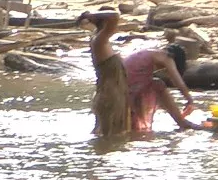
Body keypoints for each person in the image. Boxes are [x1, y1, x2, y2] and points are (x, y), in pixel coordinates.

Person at [121, 41, 199, 132]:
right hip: (129, 86)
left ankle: (180, 121)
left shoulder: (151, 53)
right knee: (159, 85)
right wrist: (190, 100)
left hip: (123, 85)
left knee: (156, 83)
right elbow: (178, 81)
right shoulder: (166, 57)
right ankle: (181, 122)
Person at [78, 8, 132, 137]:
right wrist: (92, 15)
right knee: (110, 137)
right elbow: (115, 16)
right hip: (109, 96)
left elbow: (113, 17)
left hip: (111, 95)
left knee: (110, 136)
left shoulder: (99, 38)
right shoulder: (99, 40)